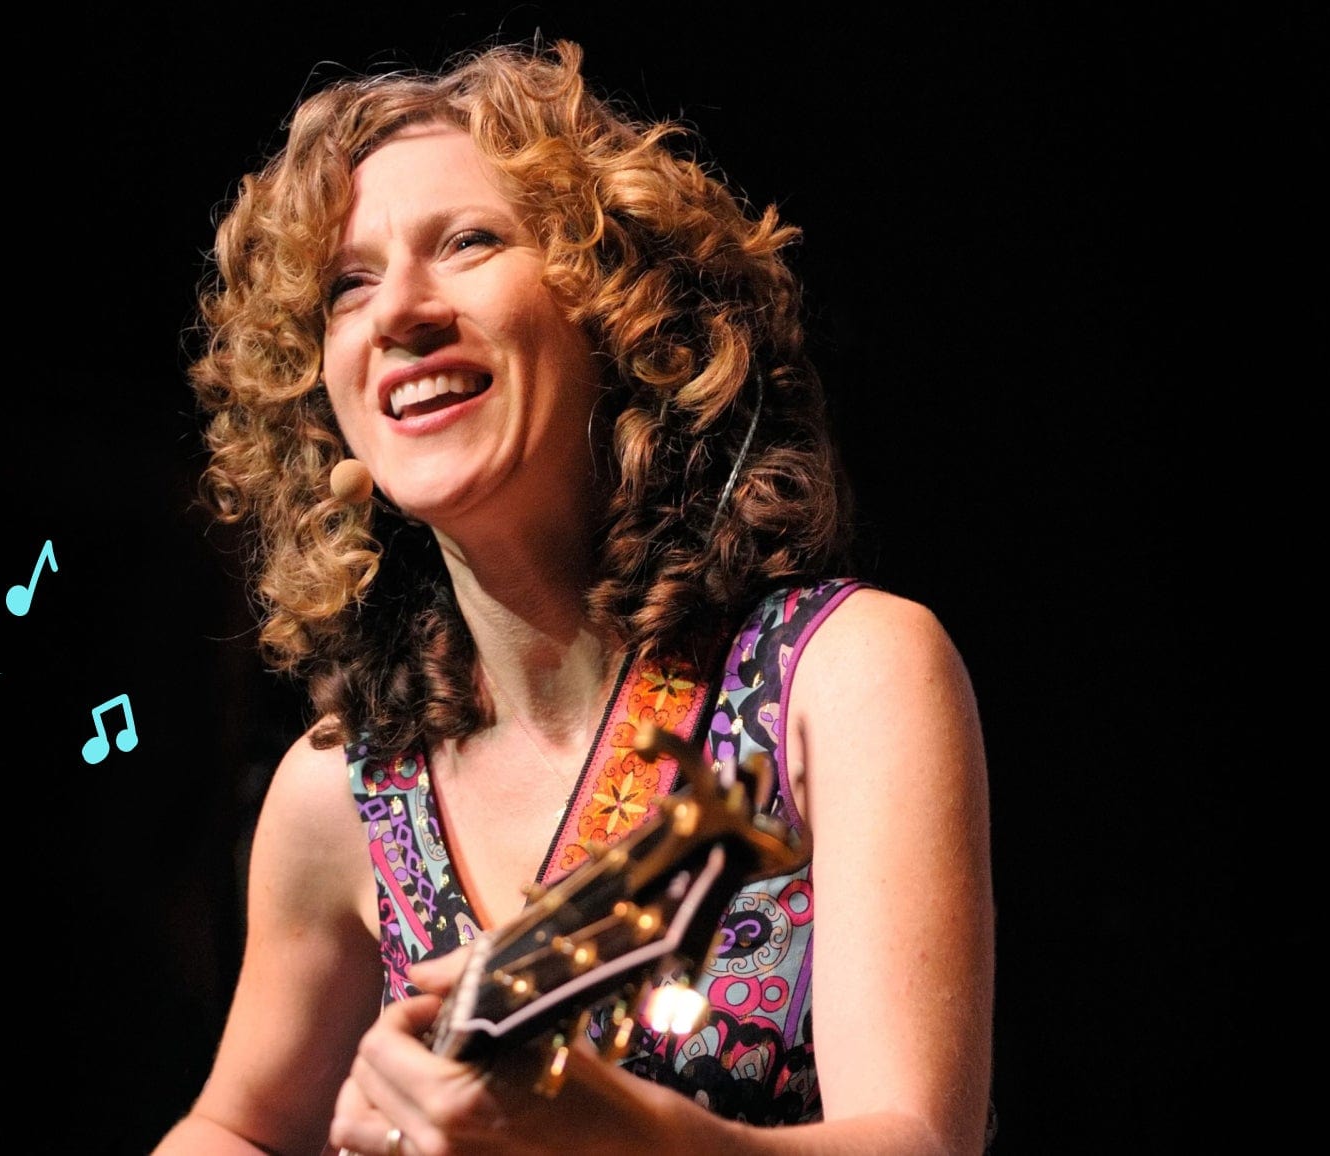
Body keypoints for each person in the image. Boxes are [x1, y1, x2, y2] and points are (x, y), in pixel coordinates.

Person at [155, 37, 995, 1156]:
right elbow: (236, 1127)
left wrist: (610, 1132)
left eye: (467, 241)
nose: (398, 309)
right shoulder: (344, 791)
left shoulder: (845, 679)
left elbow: (921, 1140)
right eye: (348, 285)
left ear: (619, 310)